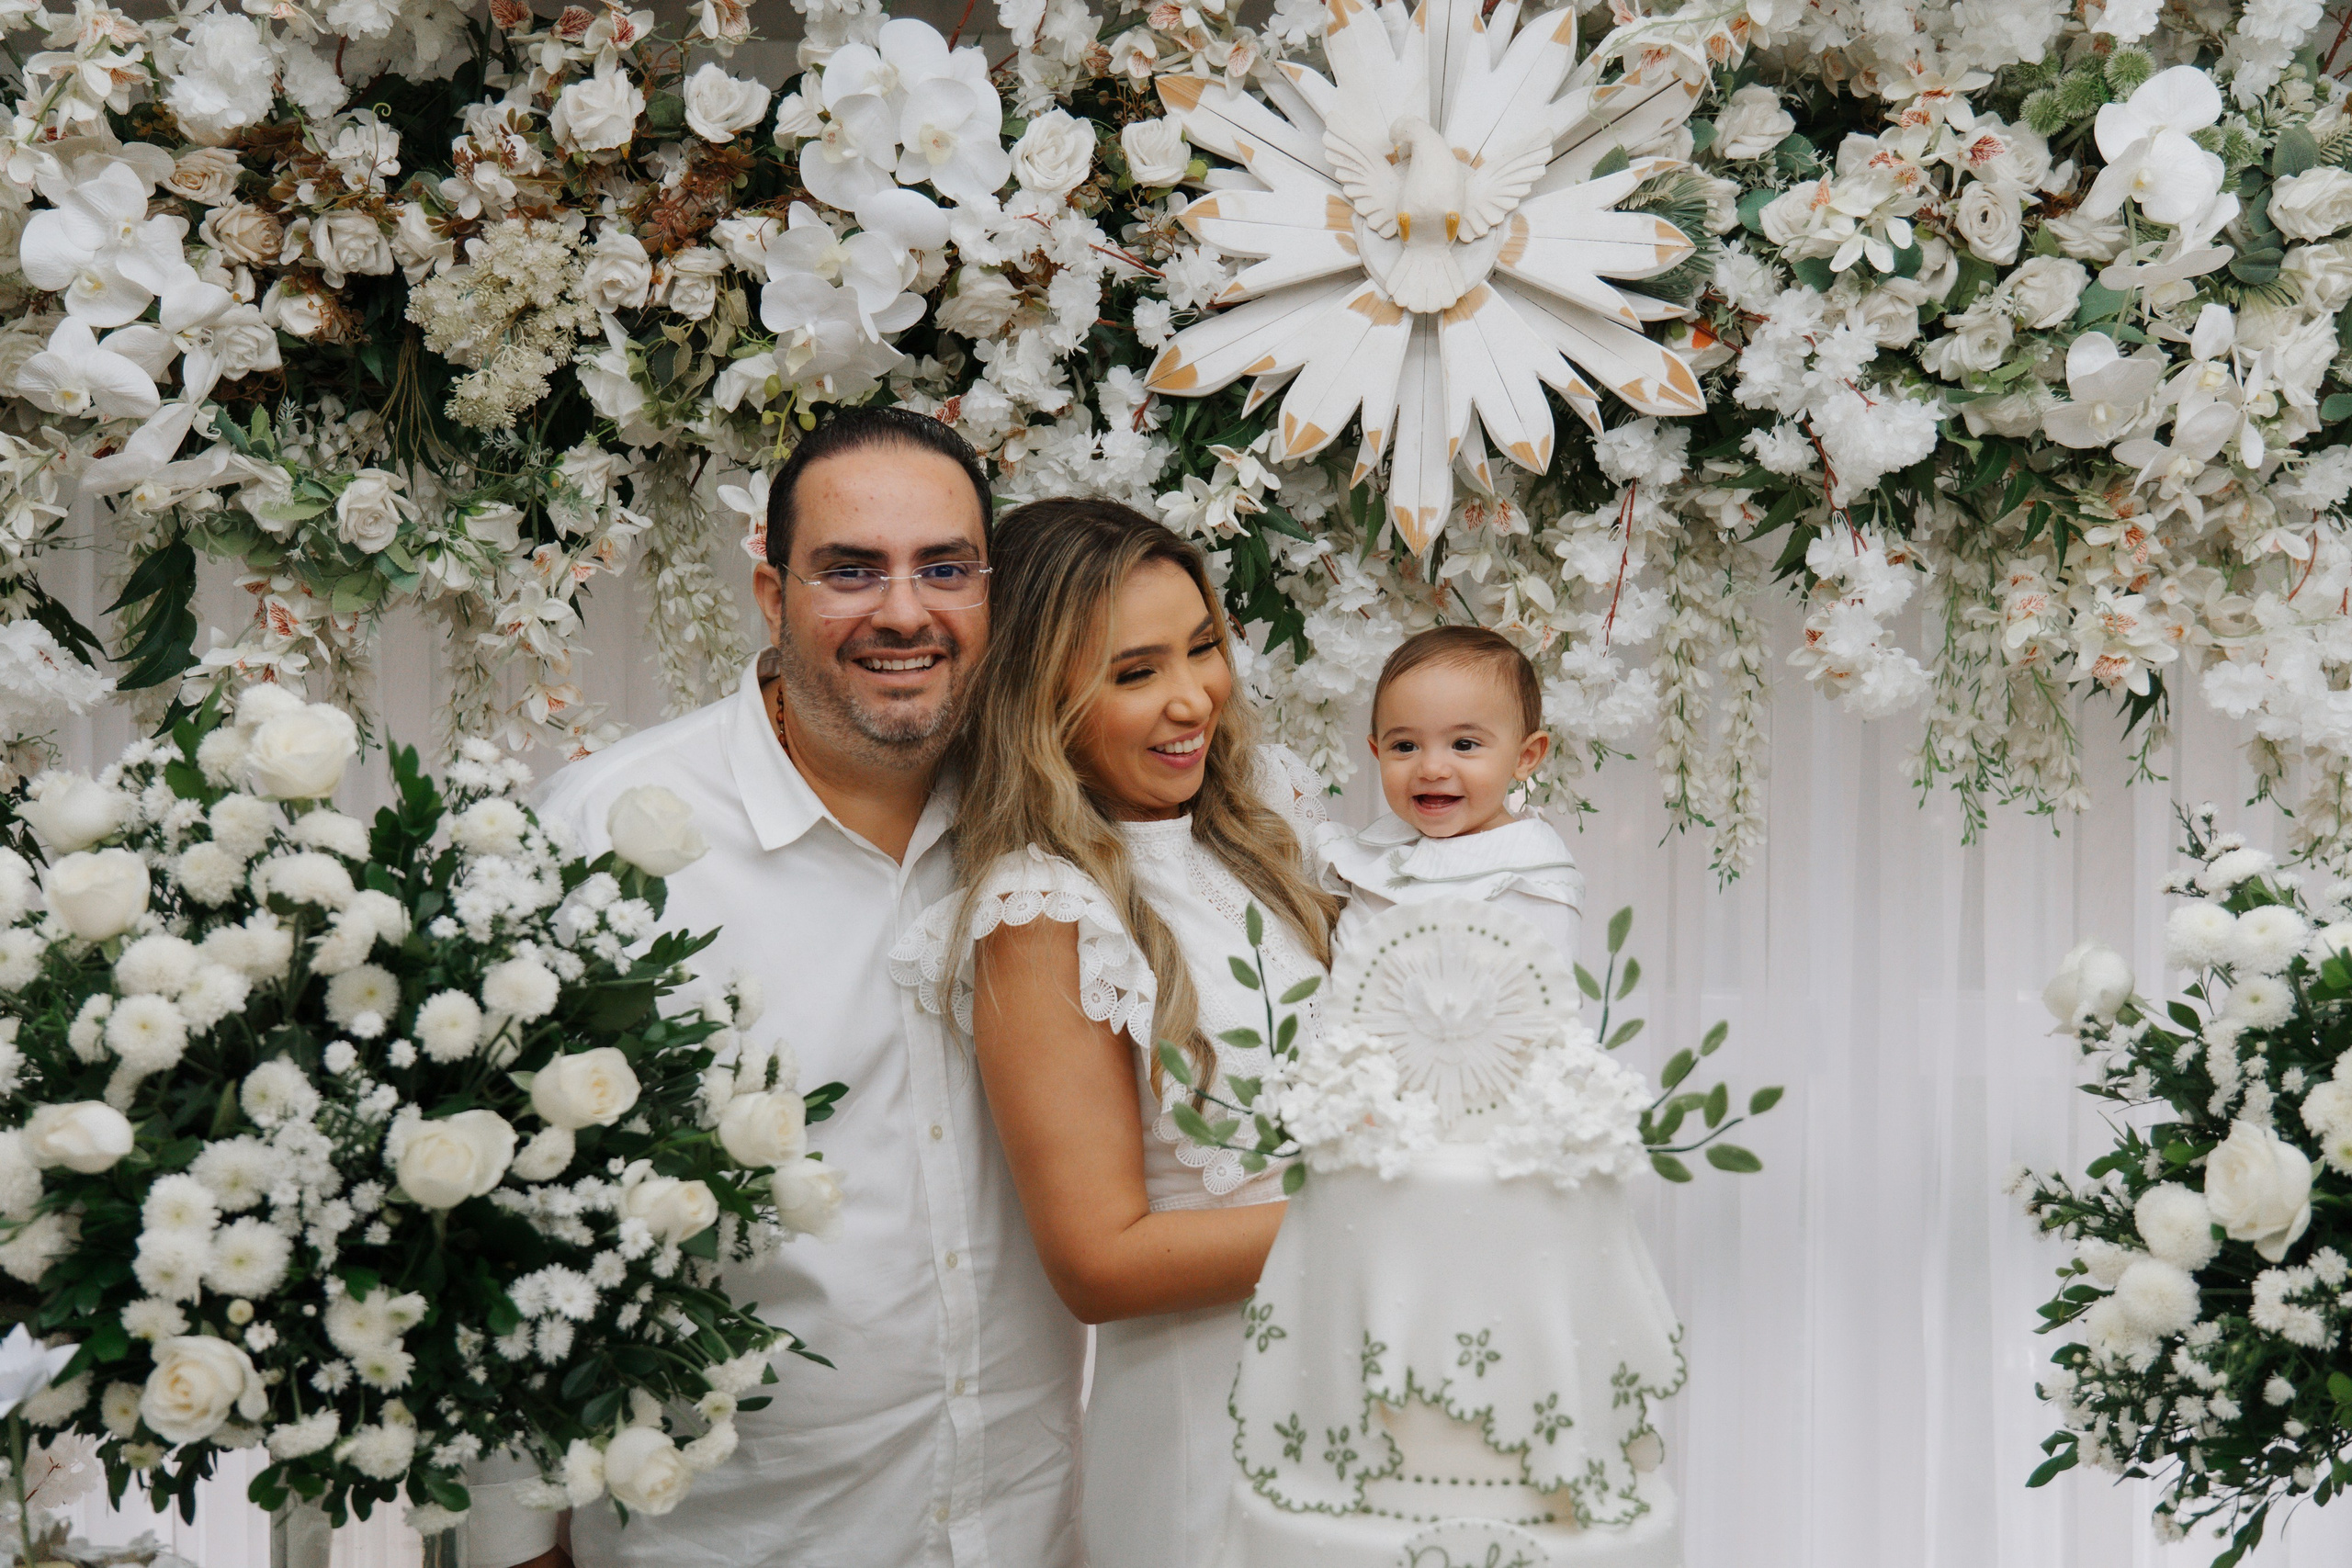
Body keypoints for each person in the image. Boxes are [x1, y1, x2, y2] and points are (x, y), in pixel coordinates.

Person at [469, 408, 1086, 1568]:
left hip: (1027, 1519)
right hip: (736, 1536)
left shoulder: (1056, 821)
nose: (902, 611)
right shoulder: (611, 833)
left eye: (943, 569)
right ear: (772, 597)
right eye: (851, 571)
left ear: (989, 595)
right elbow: (501, 1217)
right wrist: (511, 1542)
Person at [888, 498, 1338, 1568]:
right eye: (1134, 674)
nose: (1193, 699)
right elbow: (1099, 1261)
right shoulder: (1042, 910)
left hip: (1355, 1363)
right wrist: (1400, 1209)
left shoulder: (1262, 822)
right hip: (1210, 1416)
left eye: (1202, 649)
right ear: (1043, 701)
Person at [1317, 625, 1584, 960]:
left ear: (1524, 757)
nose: (1431, 769)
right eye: (1405, 746)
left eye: (1463, 744)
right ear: (1377, 753)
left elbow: (1544, 995)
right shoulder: (1369, 855)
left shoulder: (1533, 877)